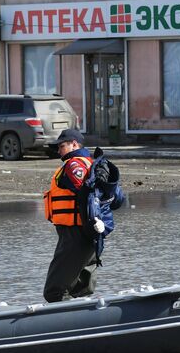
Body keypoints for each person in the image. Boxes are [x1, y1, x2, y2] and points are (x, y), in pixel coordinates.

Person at [42, 128, 123, 302]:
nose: (58, 150)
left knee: (54, 291)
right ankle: (86, 317)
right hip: (91, 233)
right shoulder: (92, 164)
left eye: (62, 146)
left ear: (74, 144)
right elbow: (114, 199)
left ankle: (63, 324)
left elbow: (86, 192)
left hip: (75, 234)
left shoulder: (74, 164)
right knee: (80, 286)